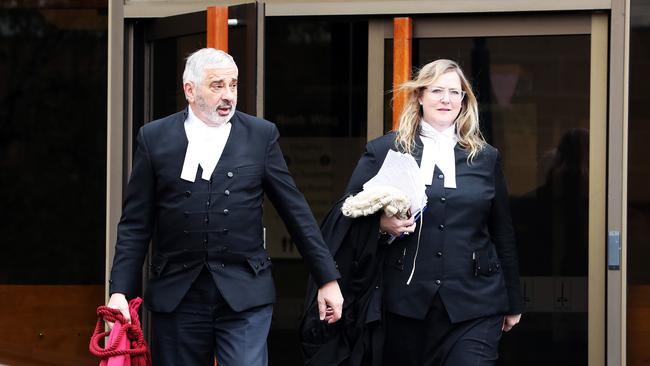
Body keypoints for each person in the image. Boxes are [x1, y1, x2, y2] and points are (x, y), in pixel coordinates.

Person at [106, 48, 343, 366]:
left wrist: (327, 279)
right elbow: (135, 223)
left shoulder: (261, 136)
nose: (228, 95)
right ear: (190, 90)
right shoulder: (154, 138)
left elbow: (295, 212)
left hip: (245, 290)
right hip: (177, 295)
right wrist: (119, 291)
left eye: (233, 85)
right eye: (217, 85)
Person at [303, 59, 523, 366]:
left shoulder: (485, 157)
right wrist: (380, 224)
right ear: (419, 96)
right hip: (404, 305)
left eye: (454, 92)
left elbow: (502, 231)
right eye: (437, 91)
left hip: (476, 303)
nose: (446, 99)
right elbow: (345, 215)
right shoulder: (385, 150)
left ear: (464, 100)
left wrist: (513, 300)